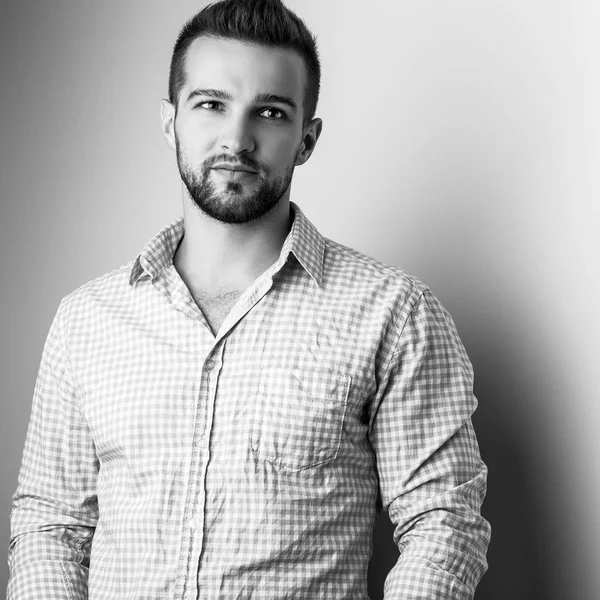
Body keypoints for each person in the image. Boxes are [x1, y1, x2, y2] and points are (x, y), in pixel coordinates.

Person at [7, 0, 491, 598]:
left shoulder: (394, 313)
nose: (237, 138)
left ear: (306, 139)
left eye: (269, 112)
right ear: (170, 123)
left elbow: (443, 523)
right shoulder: (87, 320)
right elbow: (51, 525)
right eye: (211, 104)